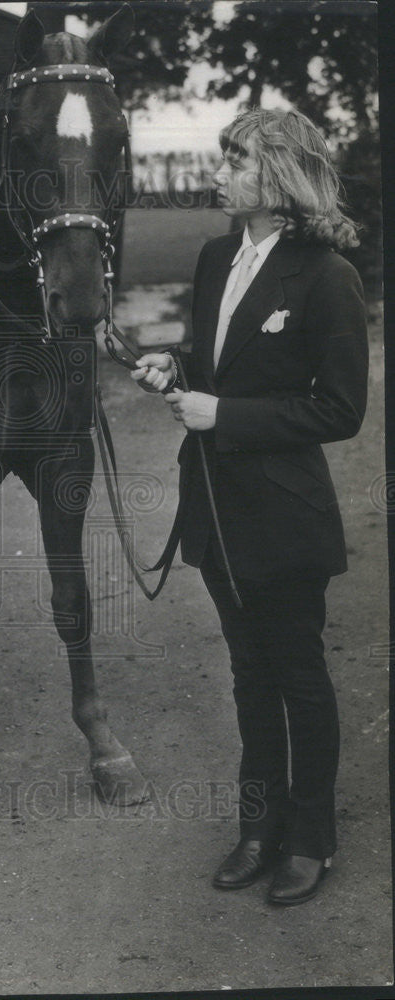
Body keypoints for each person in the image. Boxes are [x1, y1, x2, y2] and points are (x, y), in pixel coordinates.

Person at [133, 108, 368, 906]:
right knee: (246, 673)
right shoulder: (212, 257)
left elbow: (340, 411)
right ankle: (257, 828)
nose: (219, 174)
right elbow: (219, 360)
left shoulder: (327, 275)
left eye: (234, 162)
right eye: (222, 159)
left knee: (298, 676)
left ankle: (310, 838)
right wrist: (175, 366)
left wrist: (221, 415)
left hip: (283, 515)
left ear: (277, 177)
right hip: (215, 512)